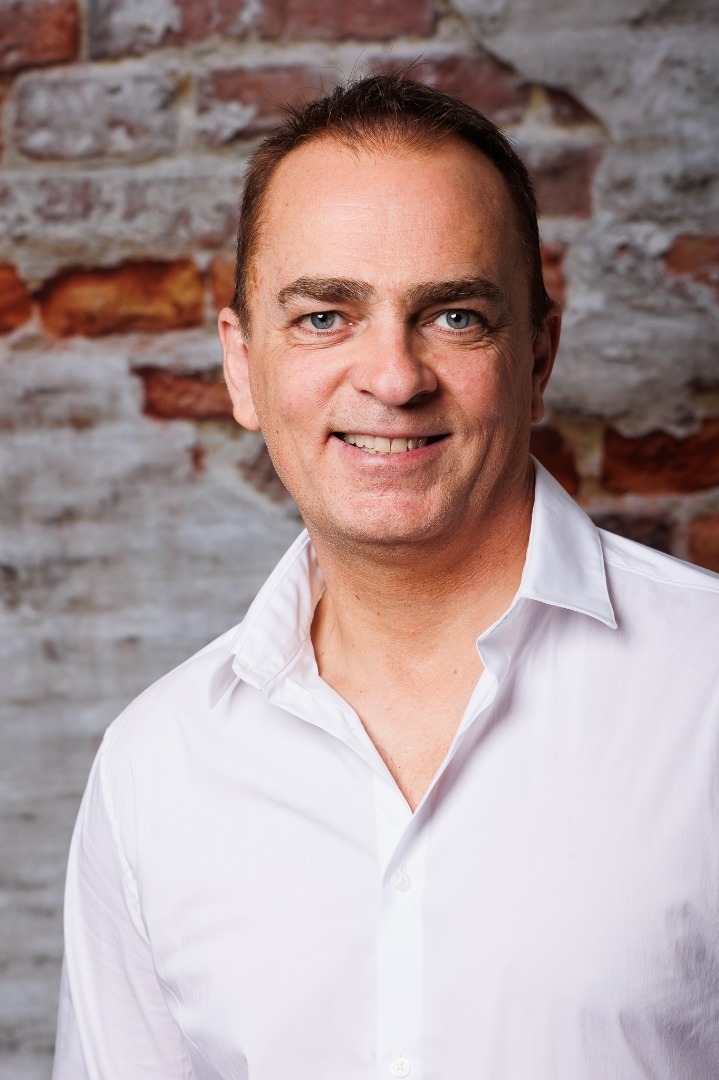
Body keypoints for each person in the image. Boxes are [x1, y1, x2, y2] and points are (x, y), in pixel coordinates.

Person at [52, 74, 719, 1079]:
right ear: (241, 366)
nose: (394, 378)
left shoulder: (701, 688)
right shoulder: (154, 771)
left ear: (538, 357)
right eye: (325, 317)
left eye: (453, 316)